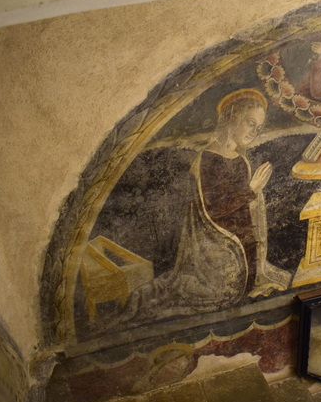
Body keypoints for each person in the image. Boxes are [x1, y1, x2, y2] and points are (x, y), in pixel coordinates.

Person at [121, 88, 290, 321]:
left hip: (243, 246)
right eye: (250, 123)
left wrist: (253, 199)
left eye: (258, 127)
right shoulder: (208, 158)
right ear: (232, 118)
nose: (254, 132)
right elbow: (214, 210)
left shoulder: (241, 160)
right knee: (220, 293)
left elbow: (245, 211)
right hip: (217, 247)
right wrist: (251, 190)